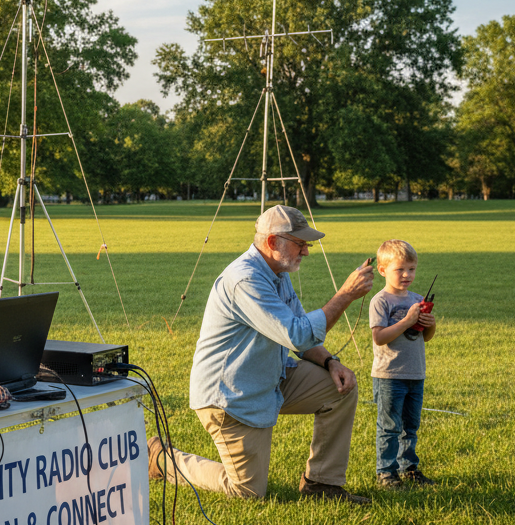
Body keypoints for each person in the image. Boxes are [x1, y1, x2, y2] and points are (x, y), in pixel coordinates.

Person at [149, 205, 375, 504]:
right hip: (231, 396)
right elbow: (297, 334)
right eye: (300, 243)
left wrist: (330, 362)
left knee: (339, 388)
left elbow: (298, 332)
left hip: (269, 377)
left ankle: (322, 484)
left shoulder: (277, 272)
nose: (306, 252)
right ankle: (162, 458)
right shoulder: (245, 280)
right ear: (272, 242)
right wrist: (345, 295)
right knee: (247, 492)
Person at [369, 239, 438, 489]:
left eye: (412, 269)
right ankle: (386, 473)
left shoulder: (417, 299)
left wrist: (429, 324)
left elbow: (426, 337)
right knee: (389, 427)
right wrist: (407, 321)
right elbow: (379, 337)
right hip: (389, 375)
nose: (407, 275)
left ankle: (408, 468)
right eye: (400, 269)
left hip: (415, 373)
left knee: (410, 426)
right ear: (382, 270)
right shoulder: (381, 301)